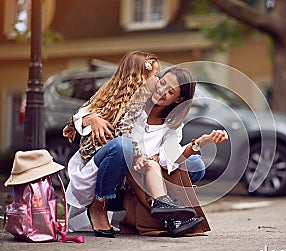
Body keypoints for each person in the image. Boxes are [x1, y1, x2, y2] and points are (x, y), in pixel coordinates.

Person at [66, 66, 228, 237]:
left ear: (179, 99)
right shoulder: (133, 101)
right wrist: (90, 118)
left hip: (141, 180)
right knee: (123, 146)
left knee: (195, 164)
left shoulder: (171, 125)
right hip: (112, 175)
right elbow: (89, 108)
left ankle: (166, 210)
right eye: (163, 83)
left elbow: (171, 159)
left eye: (170, 91)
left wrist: (200, 143)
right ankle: (99, 206)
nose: (162, 91)